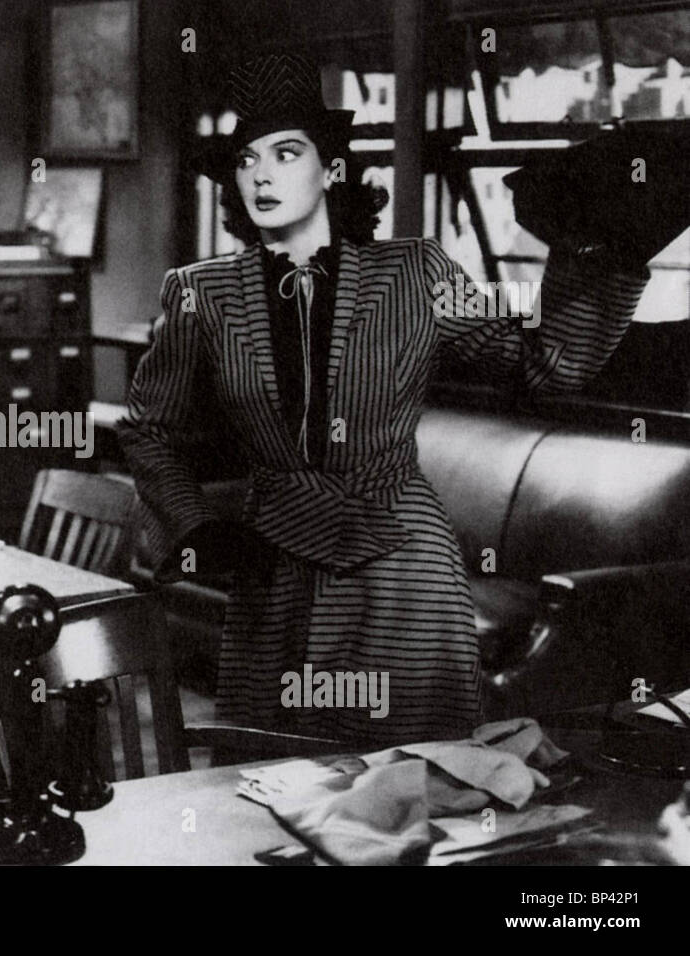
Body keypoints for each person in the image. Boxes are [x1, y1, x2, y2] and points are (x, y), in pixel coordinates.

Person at [118, 53, 652, 744]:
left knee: (410, 777)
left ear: (331, 168)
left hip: (402, 566)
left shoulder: (415, 272)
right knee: (271, 781)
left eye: (287, 152)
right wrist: (197, 526)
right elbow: (147, 429)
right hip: (274, 570)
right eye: (247, 159)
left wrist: (595, 249)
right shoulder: (200, 291)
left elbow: (549, 368)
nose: (263, 173)